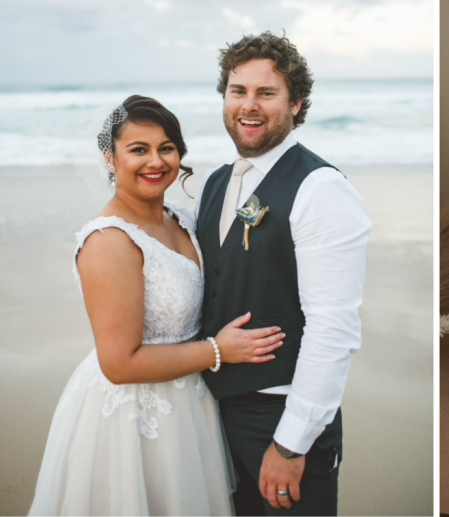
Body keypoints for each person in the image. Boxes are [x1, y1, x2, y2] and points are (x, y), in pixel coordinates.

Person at [29, 95, 286, 515]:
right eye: (138, 149)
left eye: (166, 147)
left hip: (190, 403)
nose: (156, 161)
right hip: (132, 417)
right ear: (109, 158)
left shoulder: (182, 218)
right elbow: (119, 363)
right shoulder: (109, 241)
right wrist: (219, 351)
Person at [193, 32, 372, 516]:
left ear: (296, 104)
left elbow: (333, 329)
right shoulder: (215, 183)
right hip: (216, 412)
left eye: (266, 93)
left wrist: (291, 444)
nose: (248, 106)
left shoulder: (321, 189)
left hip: (283, 416)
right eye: (238, 91)